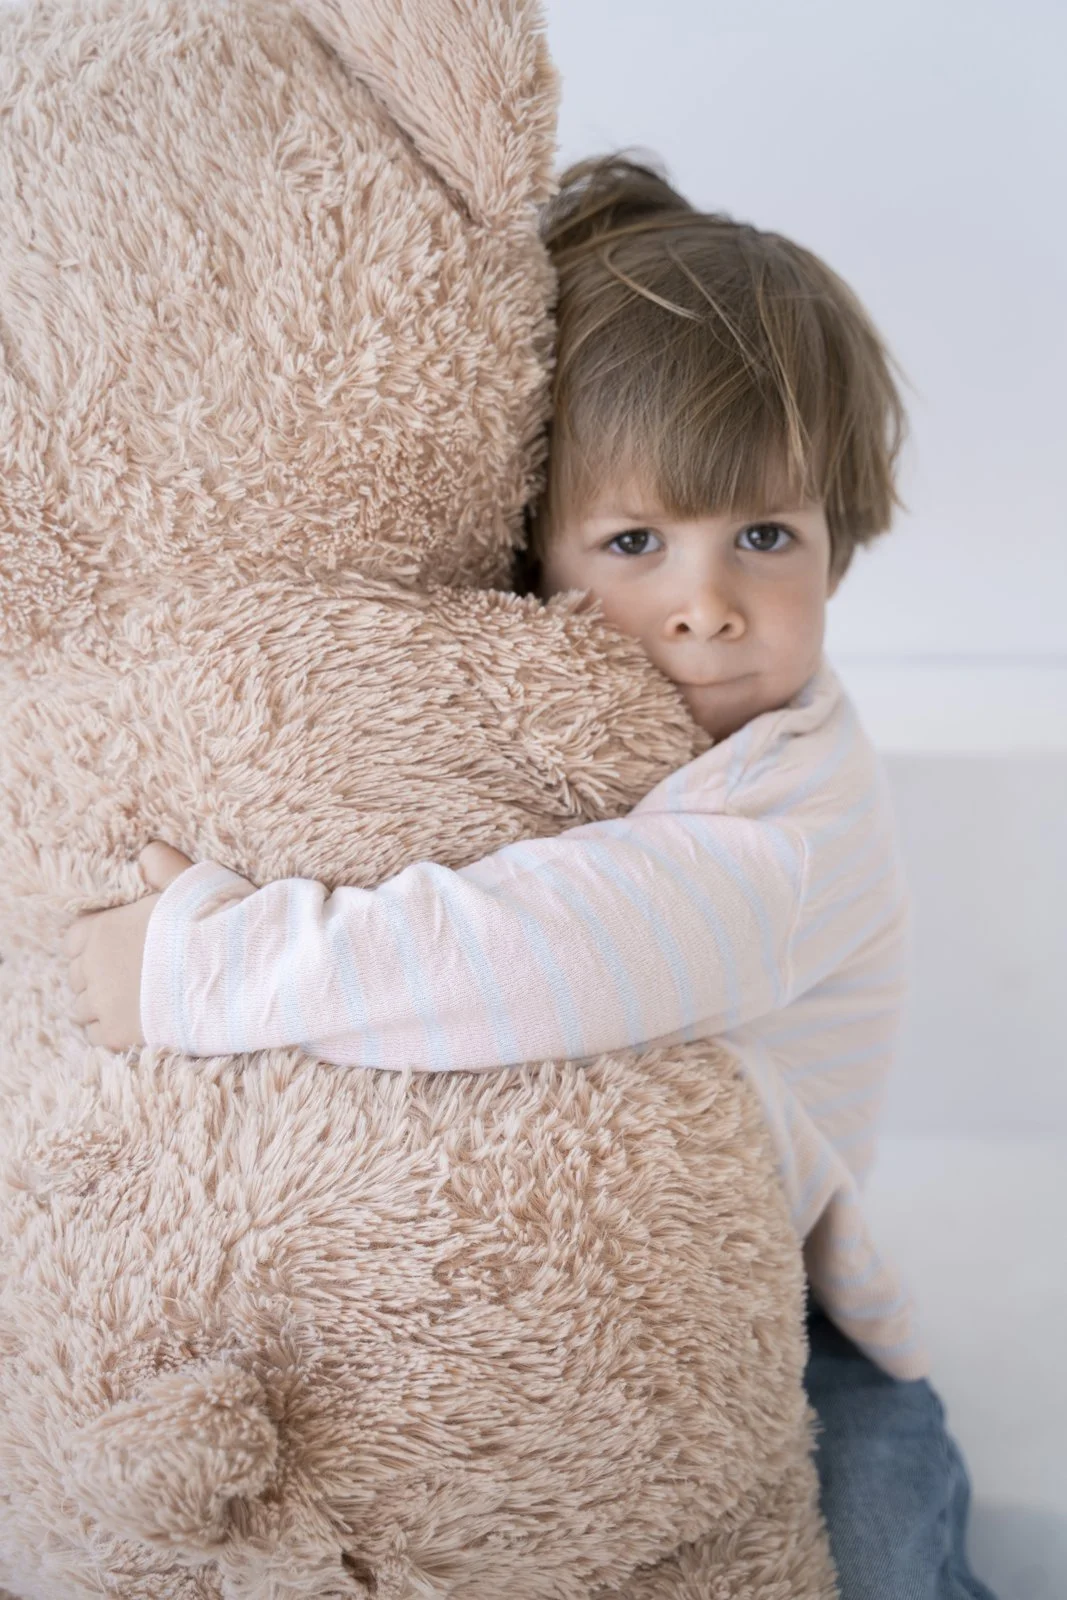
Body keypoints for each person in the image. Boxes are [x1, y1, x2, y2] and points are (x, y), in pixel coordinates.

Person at [65, 156, 995, 1600]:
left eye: (765, 535)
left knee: (871, 1554)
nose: (704, 602)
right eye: (634, 544)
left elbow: (545, 950)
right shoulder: (557, 719)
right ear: (532, 555)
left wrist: (217, 964)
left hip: (791, 1328)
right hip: (575, 1313)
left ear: (841, 535)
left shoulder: (789, 810)